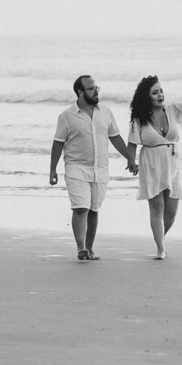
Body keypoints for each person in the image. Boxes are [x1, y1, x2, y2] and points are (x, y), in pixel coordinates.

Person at [127, 75, 182, 260]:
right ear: (147, 97)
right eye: (155, 92)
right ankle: (160, 249)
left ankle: (160, 240)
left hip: (173, 163)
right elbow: (132, 143)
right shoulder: (139, 119)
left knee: (171, 211)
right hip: (151, 163)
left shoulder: (173, 110)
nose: (160, 95)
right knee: (157, 207)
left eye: (161, 91)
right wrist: (131, 161)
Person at [49, 75, 133, 261]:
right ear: (80, 92)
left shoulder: (106, 112)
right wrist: (53, 170)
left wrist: (130, 158)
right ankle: (81, 248)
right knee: (81, 208)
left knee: (94, 210)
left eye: (97, 88)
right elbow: (58, 143)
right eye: (91, 88)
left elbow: (115, 137)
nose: (96, 91)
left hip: (101, 169)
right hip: (76, 168)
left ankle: (90, 248)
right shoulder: (67, 116)